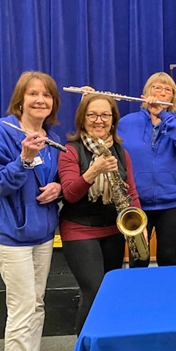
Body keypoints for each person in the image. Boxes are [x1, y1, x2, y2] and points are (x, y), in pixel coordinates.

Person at [0, 71, 67, 351]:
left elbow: (54, 179)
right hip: (13, 237)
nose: (40, 100)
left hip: (43, 234)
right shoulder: (1, 133)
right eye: (33, 94)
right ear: (21, 99)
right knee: (21, 308)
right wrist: (24, 159)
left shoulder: (51, 137)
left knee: (37, 302)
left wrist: (58, 188)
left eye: (46, 95)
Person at [58, 94, 143, 335]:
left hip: (113, 230)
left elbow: (131, 191)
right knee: (94, 291)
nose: (99, 120)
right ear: (82, 119)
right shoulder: (70, 151)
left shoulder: (121, 152)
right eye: (92, 115)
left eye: (105, 115)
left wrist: (140, 223)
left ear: (113, 120)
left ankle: (104, 343)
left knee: (110, 292)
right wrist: (93, 171)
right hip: (79, 230)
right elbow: (70, 194)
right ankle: (83, 349)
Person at [118, 72, 176, 267]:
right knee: (139, 259)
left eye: (168, 90)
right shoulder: (127, 122)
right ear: (146, 93)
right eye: (157, 88)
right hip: (137, 201)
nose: (162, 92)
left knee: (168, 257)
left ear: (172, 97)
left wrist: (162, 114)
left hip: (170, 202)